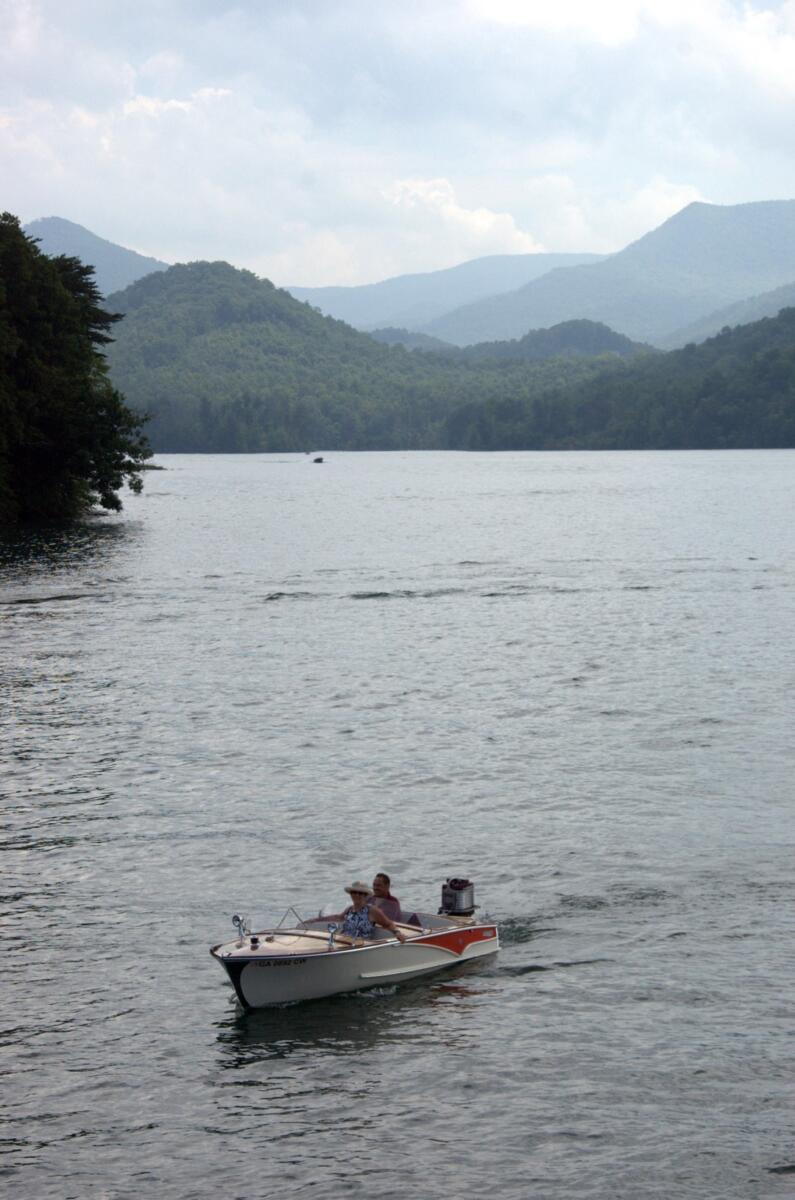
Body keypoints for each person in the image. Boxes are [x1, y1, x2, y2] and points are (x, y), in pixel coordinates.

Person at [327, 881, 407, 942]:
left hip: (360, 947)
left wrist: (397, 932)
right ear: (351, 894)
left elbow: (388, 924)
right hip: (343, 943)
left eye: (360, 893)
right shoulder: (349, 909)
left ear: (366, 895)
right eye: (354, 892)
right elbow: (338, 919)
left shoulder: (372, 910)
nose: (357, 895)